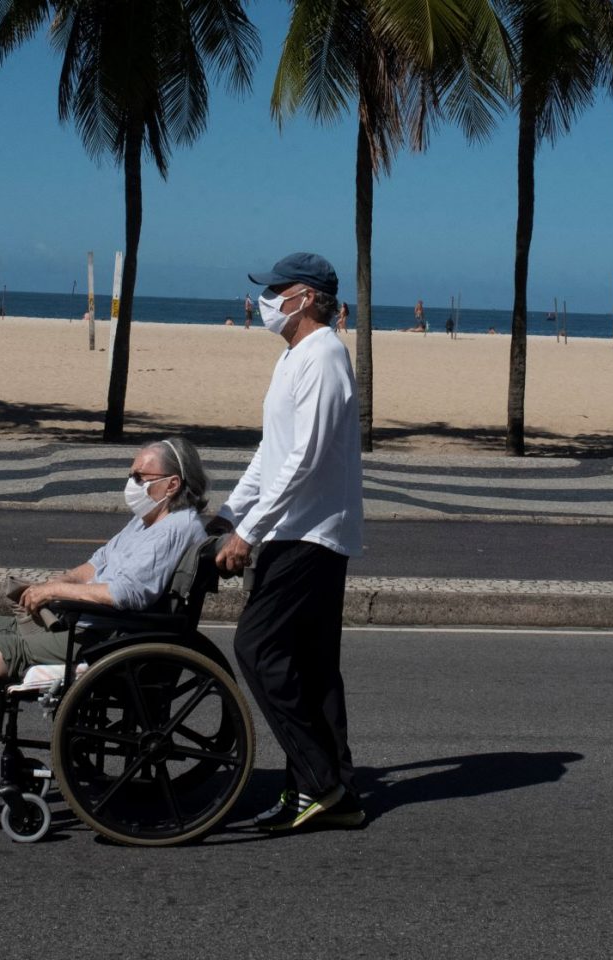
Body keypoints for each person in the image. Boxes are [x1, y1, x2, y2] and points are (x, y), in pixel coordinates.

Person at [0, 438, 211, 820]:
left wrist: (56, 591)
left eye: (140, 476)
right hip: (92, 625)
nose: (132, 484)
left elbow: (129, 593)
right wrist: (54, 583)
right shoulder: (146, 521)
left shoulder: (175, 528)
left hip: (111, 639)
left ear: (173, 484)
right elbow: (97, 564)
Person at [211, 252, 365, 832]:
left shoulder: (324, 355)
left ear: (303, 296)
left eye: (275, 289)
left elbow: (305, 458)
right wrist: (229, 514)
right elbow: (270, 452)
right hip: (291, 526)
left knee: (257, 648)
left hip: (309, 533)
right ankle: (334, 791)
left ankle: (318, 781)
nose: (265, 299)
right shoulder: (294, 357)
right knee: (312, 666)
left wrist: (249, 532)